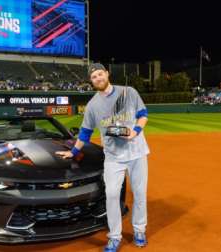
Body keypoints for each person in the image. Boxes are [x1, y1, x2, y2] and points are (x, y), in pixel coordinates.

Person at [56, 63, 150, 252]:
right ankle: (114, 236)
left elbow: (143, 115)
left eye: (100, 74)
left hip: (136, 153)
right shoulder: (92, 105)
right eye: (94, 77)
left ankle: (139, 230)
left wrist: (135, 131)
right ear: (91, 81)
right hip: (113, 157)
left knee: (139, 194)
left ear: (107, 74)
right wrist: (73, 152)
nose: (98, 78)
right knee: (112, 195)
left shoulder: (128, 92)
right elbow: (85, 132)